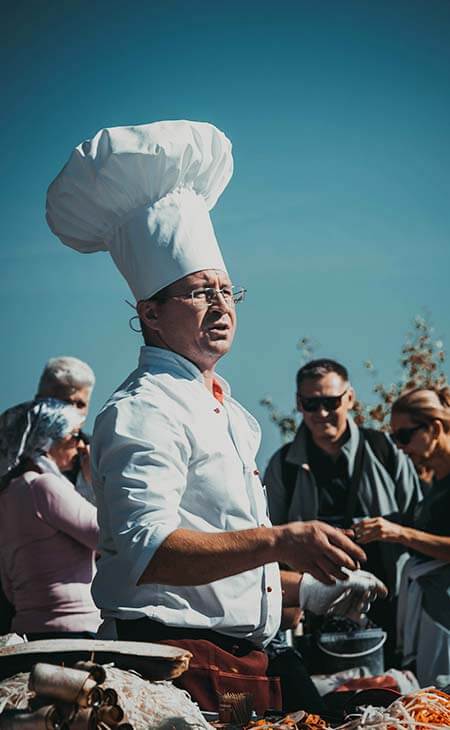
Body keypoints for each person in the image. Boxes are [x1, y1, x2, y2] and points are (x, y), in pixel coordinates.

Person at [46, 119, 386, 712]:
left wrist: (306, 590)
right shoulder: (143, 410)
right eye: (199, 291)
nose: (221, 305)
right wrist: (282, 538)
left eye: (228, 291)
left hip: (239, 657)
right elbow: (150, 552)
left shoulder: (228, 411)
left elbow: (221, 559)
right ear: (150, 314)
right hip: (174, 662)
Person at [264, 358, 422, 666]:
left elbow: (417, 525)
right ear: (299, 403)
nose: (322, 413)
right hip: (316, 618)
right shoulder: (283, 467)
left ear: (349, 398)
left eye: (331, 402)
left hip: (392, 609)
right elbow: (269, 541)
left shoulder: (385, 451)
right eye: (312, 403)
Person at [355, 387, 450, 686]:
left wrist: (398, 533)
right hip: (431, 620)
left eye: (404, 436)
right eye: (394, 438)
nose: (399, 447)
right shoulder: (434, 482)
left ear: (434, 428)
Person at [0, 399, 100, 639]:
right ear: (48, 439)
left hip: (29, 629)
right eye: (74, 435)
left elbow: (7, 582)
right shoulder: (43, 486)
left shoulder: (9, 494)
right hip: (73, 628)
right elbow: (105, 536)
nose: (80, 446)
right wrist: (92, 482)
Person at [36, 355, 96, 500]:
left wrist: (98, 484)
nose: (73, 412)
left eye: (81, 405)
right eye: (65, 403)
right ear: (40, 402)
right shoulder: (11, 452)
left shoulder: (100, 454)